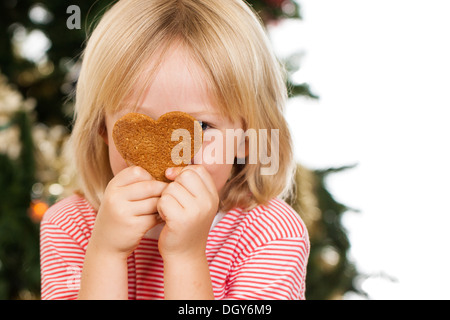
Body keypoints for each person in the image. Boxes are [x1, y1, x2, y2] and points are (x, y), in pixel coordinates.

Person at [40, 0, 309, 300]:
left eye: (203, 127)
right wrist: (106, 254)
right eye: (139, 124)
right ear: (103, 128)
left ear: (247, 138)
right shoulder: (70, 226)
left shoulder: (270, 234)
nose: (170, 152)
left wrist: (186, 257)